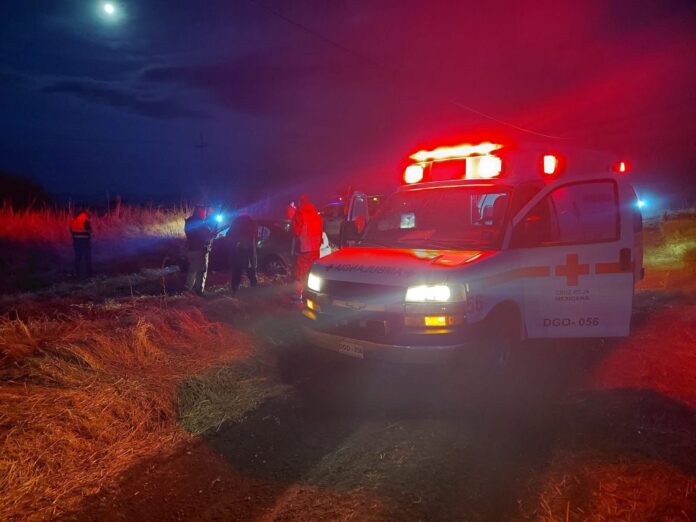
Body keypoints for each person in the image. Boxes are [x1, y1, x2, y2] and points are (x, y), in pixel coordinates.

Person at [291, 195, 323, 301]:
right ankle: (310, 296)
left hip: (304, 249)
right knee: (312, 273)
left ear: (300, 202)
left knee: (299, 274)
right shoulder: (316, 215)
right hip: (316, 249)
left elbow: (295, 231)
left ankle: (297, 298)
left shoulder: (300, 213)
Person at [184, 206, 214, 295]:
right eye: (204, 212)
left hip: (191, 249)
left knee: (192, 270)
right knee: (201, 271)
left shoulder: (189, 221)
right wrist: (213, 234)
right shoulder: (200, 224)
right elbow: (206, 236)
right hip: (200, 250)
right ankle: (199, 290)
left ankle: (188, 287)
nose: (205, 214)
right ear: (200, 212)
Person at [229, 213, 258, 293]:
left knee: (237, 269)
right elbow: (255, 236)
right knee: (250, 268)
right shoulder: (252, 223)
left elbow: (229, 235)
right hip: (249, 250)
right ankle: (254, 285)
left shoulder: (236, 222)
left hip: (238, 250)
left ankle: (235, 287)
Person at [70, 207, 92, 278]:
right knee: (87, 257)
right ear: (86, 211)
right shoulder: (85, 219)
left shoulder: (73, 219)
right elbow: (89, 230)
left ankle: (77, 273)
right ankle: (88, 273)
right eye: (89, 211)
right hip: (85, 241)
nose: (90, 213)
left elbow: (71, 230)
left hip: (76, 241)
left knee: (77, 257)